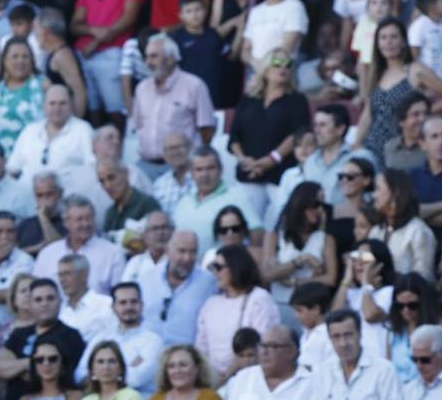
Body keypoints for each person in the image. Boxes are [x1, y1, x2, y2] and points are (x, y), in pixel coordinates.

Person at [355, 18, 442, 170]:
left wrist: (421, 115)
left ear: (403, 41)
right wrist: (357, 142)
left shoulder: (415, 70)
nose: (389, 42)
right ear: (378, 44)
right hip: (372, 147)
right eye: (383, 38)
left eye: (394, 37)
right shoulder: (377, 72)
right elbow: (367, 115)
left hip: (401, 148)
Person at [228, 49, 311, 218]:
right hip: (249, 173)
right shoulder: (249, 99)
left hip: (280, 175)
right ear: (265, 69)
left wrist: (272, 160)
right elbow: (235, 135)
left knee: (282, 222)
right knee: (248, 223)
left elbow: (297, 134)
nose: (283, 69)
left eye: (288, 65)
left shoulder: (297, 100)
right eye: (277, 64)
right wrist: (243, 160)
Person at [0, 276, 85, 400]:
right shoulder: (19, 333)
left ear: (60, 301)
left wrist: (16, 367)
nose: (44, 303)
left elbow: (50, 375)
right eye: (38, 299)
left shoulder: (71, 336)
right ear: (30, 304)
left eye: (50, 298)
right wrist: (30, 363)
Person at [132, 32, 215, 179]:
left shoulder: (194, 85)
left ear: (171, 60)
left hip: (181, 168)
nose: (148, 62)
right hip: (146, 165)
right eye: (146, 56)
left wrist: (191, 161)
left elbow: (207, 128)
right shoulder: (141, 88)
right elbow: (139, 126)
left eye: (154, 56)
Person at [70, 0, 144, 121]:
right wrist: (92, 31)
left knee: (116, 111)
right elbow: (74, 24)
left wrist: (95, 42)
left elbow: (129, 18)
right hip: (83, 55)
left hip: (112, 52)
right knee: (91, 109)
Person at [195, 245, 279, 382]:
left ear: (235, 266)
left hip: (249, 377)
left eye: (219, 267)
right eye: (213, 267)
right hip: (212, 380)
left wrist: (229, 373)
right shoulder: (211, 303)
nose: (215, 273)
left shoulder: (259, 298)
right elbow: (201, 346)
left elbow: (263, 342)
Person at [76, 281, 163, 398]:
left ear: (141, 305)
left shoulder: (153, 341)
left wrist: (100, 374)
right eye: (123, 303)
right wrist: (127, 368)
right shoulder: (100, 338)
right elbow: (80, 375)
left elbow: (138, 379)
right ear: (113, 307)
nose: (129, 307)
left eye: (133, 302)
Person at [173, 145, 264, 253]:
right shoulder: (184, 202)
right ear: (192, 174)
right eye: (199, 169)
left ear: (221, 170)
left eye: (210, 168)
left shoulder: (236, 196)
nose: (205, 174)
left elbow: (257, 233)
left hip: (222, 267)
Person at [263, 182, 338, 308]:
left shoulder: (325, 238)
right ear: (301, 204)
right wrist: (301, 260)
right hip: (280, 303)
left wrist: (297, 282)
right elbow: (268, 274)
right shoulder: (275, 236)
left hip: (310, 306)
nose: (320, 210)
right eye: (315, 205)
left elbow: (331, 278)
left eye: (323, 205)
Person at [7, 83, 94, 189]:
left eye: (62, 103)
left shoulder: (83, 130)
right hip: (27, 198)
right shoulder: (30, 130)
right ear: (44, 106)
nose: (57, 108)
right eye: (52, 103)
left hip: (67, 199)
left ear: (71, 105)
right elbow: (12, 168)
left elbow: (92, 167)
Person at [34, 194, 126, 294]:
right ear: (66, 222)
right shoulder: (48, 253)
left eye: (89, 218)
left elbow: (120, 295)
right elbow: (37, 292)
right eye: (79, 219)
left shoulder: (112, 253)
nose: (85, 224)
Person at [141, 228, 216, 346]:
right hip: (149, 355)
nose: (187, 258)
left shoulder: (209, 283)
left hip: (187, 357)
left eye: (193, 252)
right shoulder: (146, 279)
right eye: (182, 251)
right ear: (167, 251)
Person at [0, 36, 45, 154]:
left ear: (32, 60)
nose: (20, 61)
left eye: (25, 56)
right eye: (15, 56)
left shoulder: (43, 86)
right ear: (5, 61)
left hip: (34, 157)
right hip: (0, 162)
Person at [372, 169, 437, 278]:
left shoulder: (418, 231)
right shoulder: (376, 231)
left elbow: (424, 277)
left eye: (377, 189)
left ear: (395, 191)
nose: (374, 195)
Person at [384, 273, 442, 384]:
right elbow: (388, 370)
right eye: (400, 306)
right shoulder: (393, 332)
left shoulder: (437, 329)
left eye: (412, 305)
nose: (406, 310)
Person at [14, 339, 80, 400]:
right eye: (40, 360)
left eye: (53, 359)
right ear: (34, 365)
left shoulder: (74, 396)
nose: (46, 363)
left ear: (62, 362)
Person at [33, 6, 87, 118]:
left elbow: (79, 91)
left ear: (45, 32)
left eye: (35, 29)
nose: (34, 35)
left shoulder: (62, 56)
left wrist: (76, 123)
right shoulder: (54, 54)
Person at [411, 114, 442, 227]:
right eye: (434, 136)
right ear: (423, 144)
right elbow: (407, 213)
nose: (441, 142)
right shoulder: (412, 176)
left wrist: (423, 217)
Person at [56, 254, 113, 340]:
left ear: (84, 275)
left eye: (67, 274)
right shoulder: (58, 309)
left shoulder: (106, 305)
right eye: (60, 275)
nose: (62, 280)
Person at [96, 161, 160, 236]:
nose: (107, 186)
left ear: (125, 173)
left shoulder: (147, 204)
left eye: (111, 178)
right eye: (102, 181)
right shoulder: (110, 212)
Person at [382, 89, 431, 173]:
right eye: (416, 114)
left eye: (426, 113)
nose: (423, 119)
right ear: (401, 121)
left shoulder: (434, 147)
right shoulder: (389, 147)